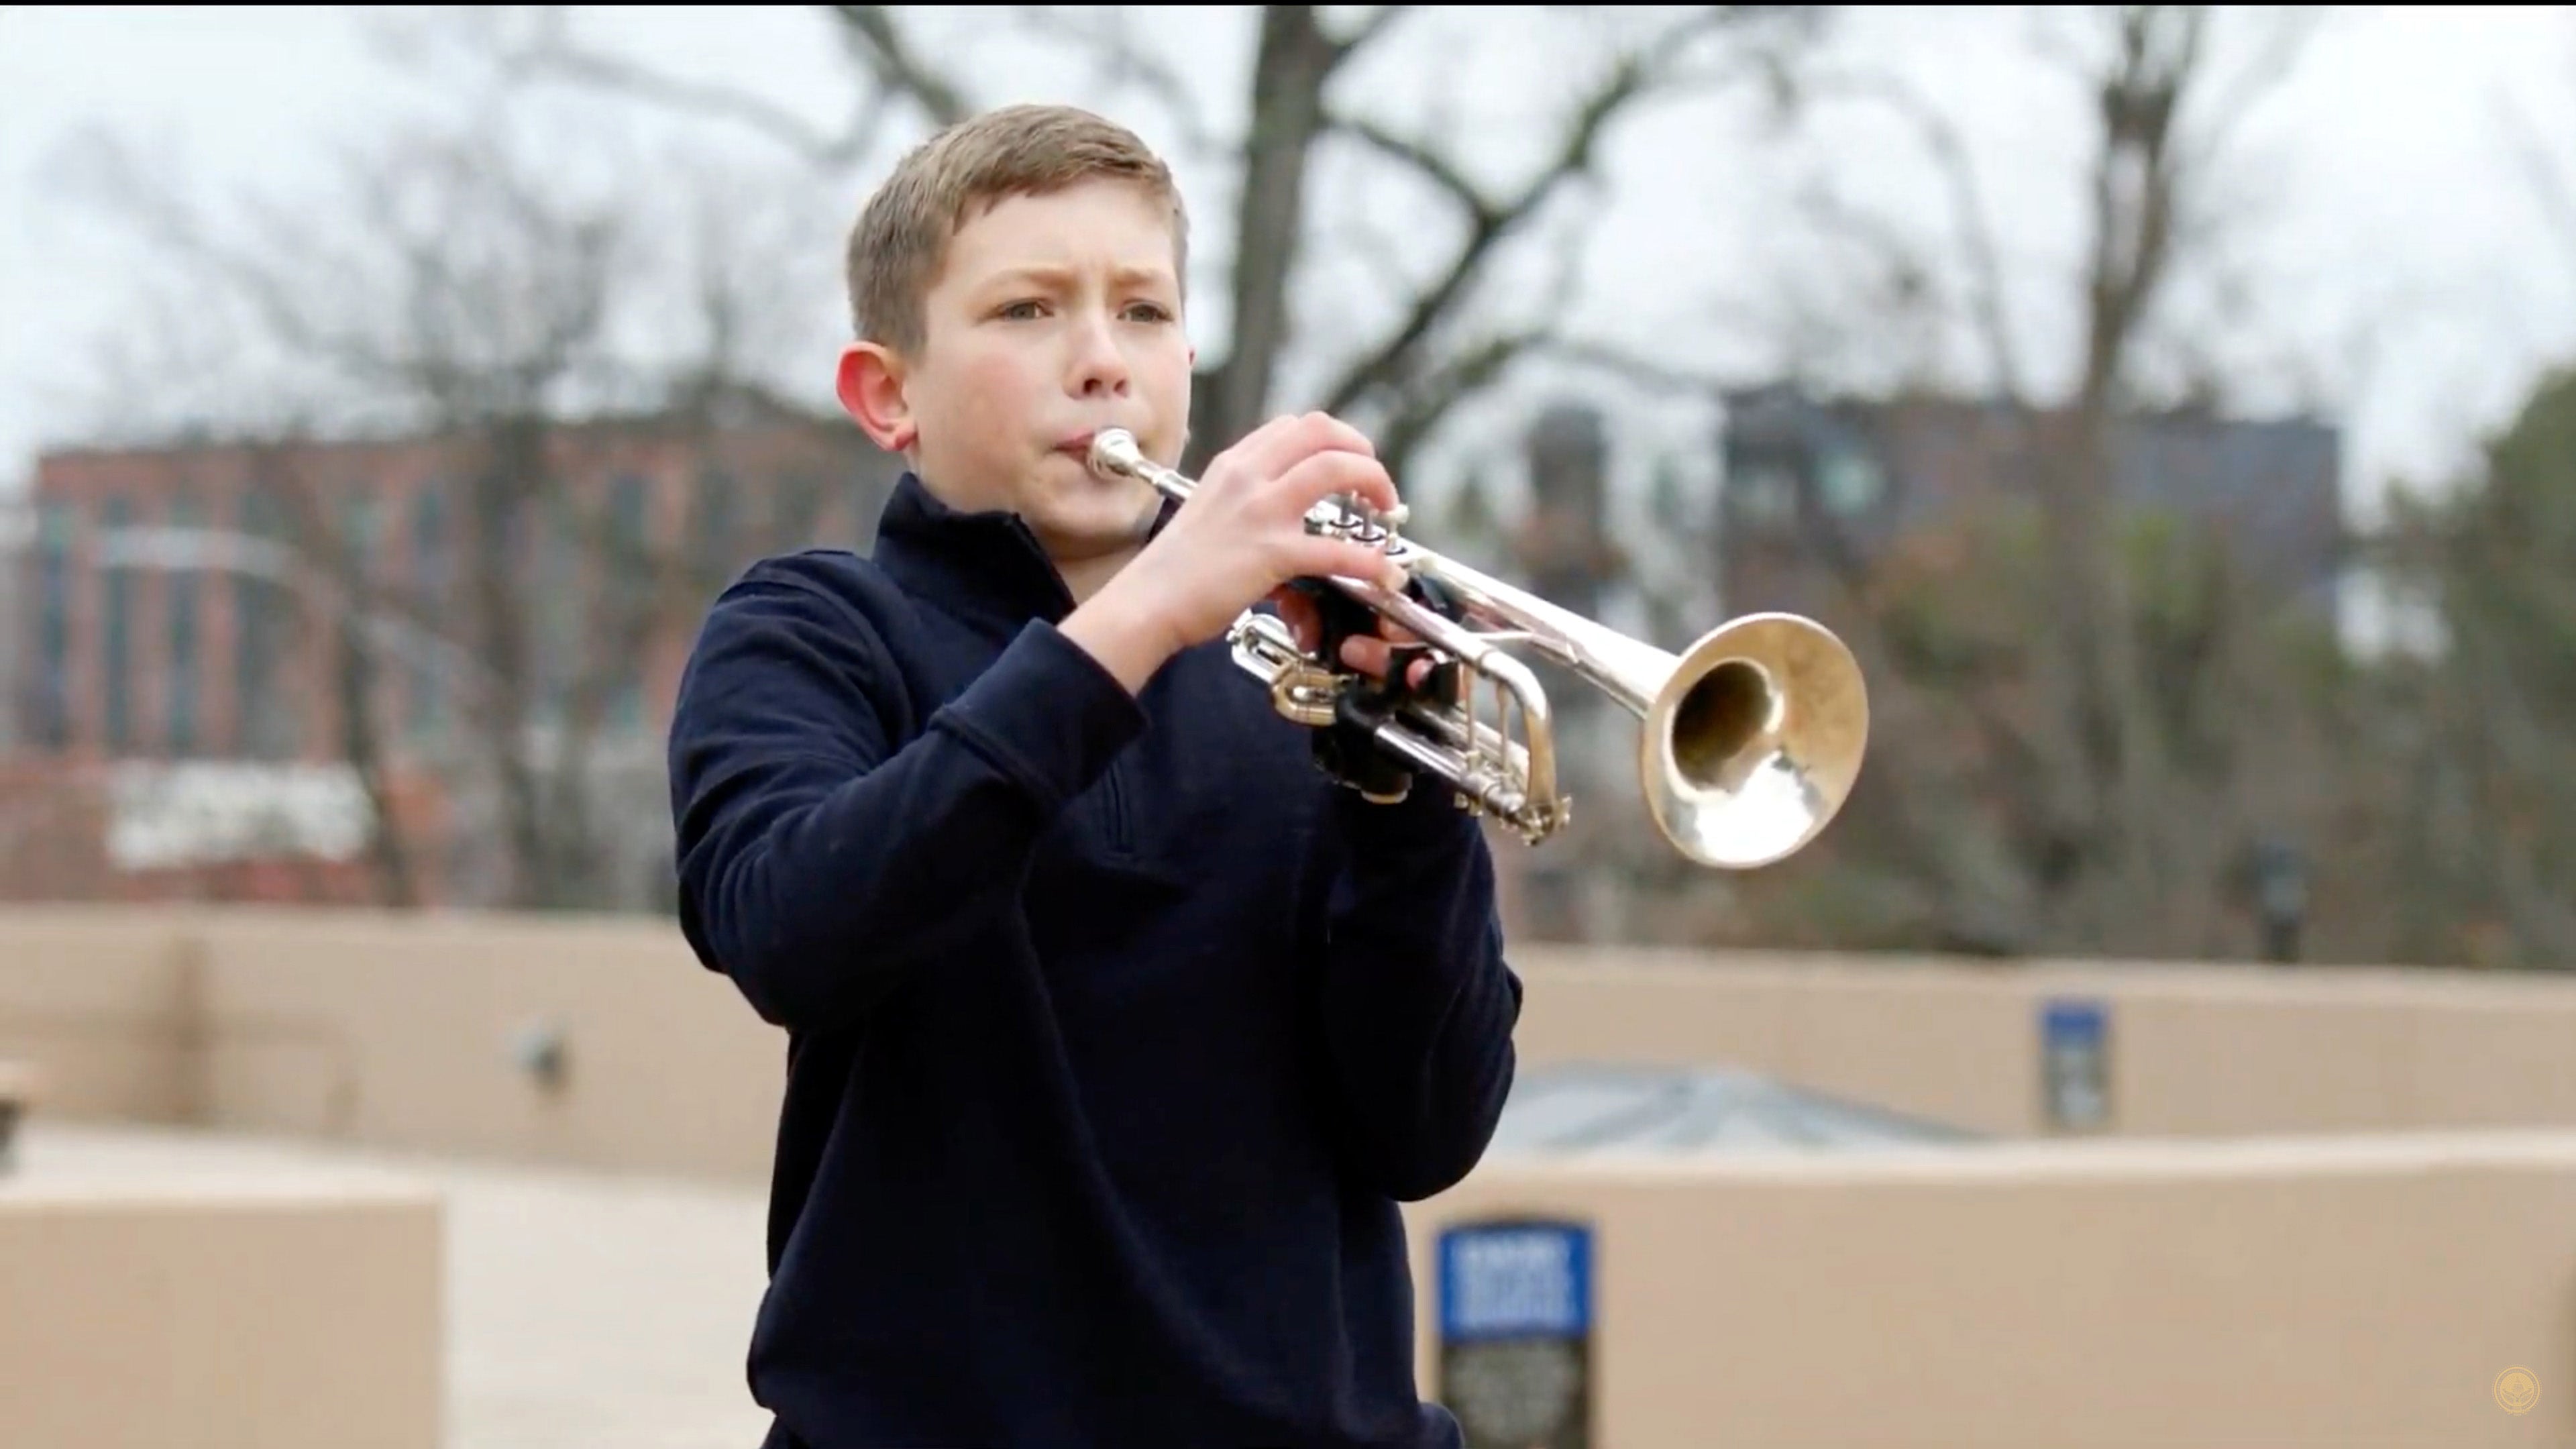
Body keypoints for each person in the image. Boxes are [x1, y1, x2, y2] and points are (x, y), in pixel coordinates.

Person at [665, 101, 1523, 1449]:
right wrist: (1147, 617)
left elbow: (1425, 1134)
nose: (1101, 362)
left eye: (1143, 311)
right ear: (888, 394)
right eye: (1026, 311)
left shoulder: (1291, 673)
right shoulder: (810, 633)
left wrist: (1403, 809)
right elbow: (794, 931)